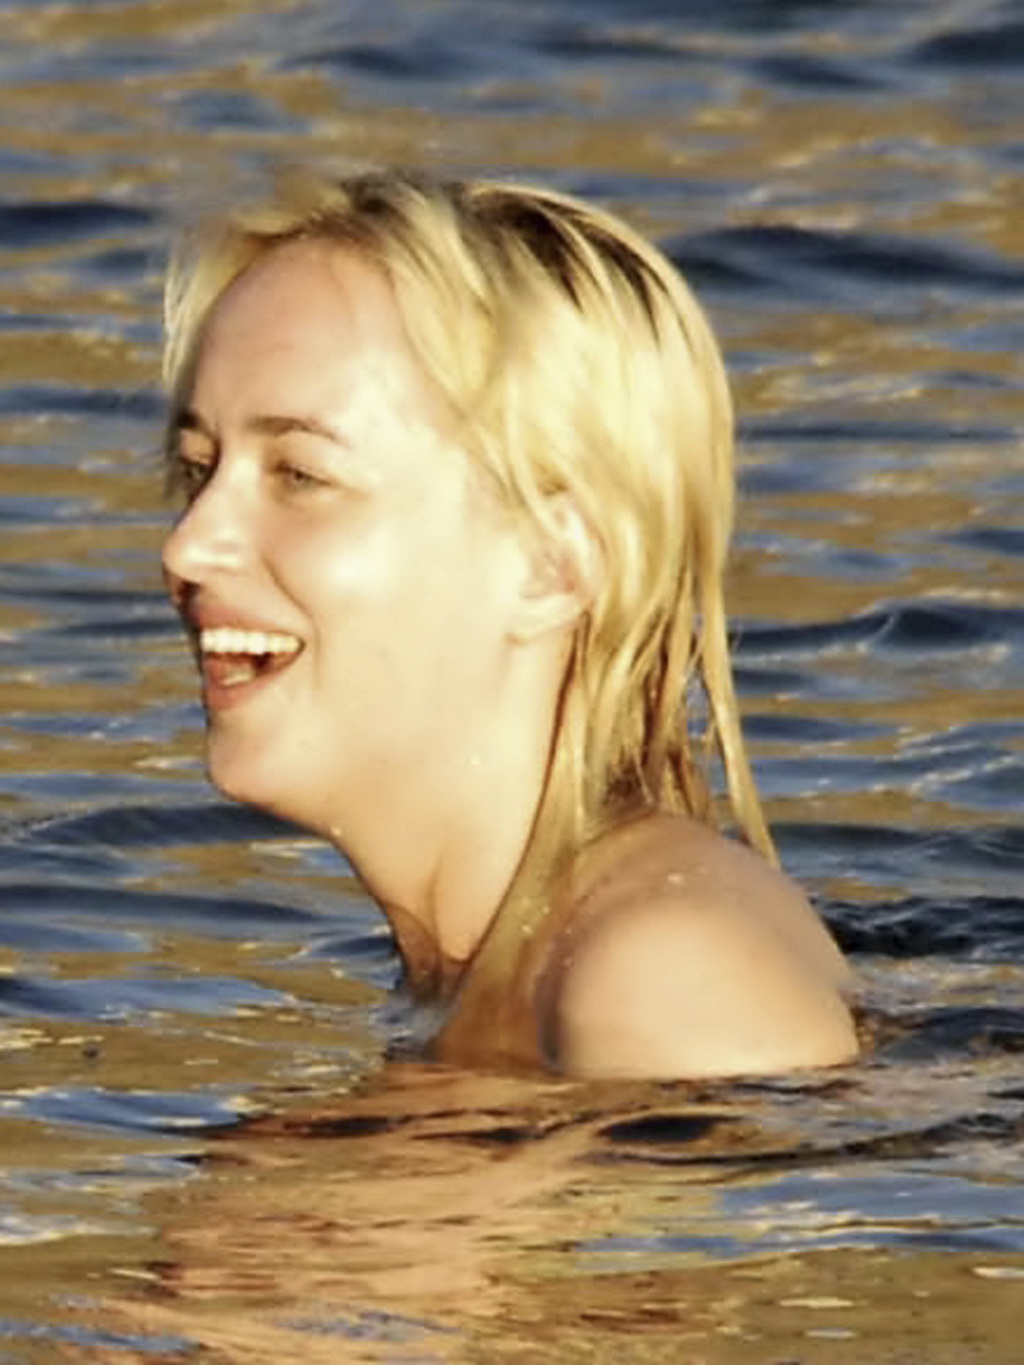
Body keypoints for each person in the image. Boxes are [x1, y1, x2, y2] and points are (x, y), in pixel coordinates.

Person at [161, 167, 858, 1079]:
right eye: (198, 467)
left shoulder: (659, 983)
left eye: (300, 475)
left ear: (550, 562)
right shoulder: (488, 974)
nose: (188, 545)